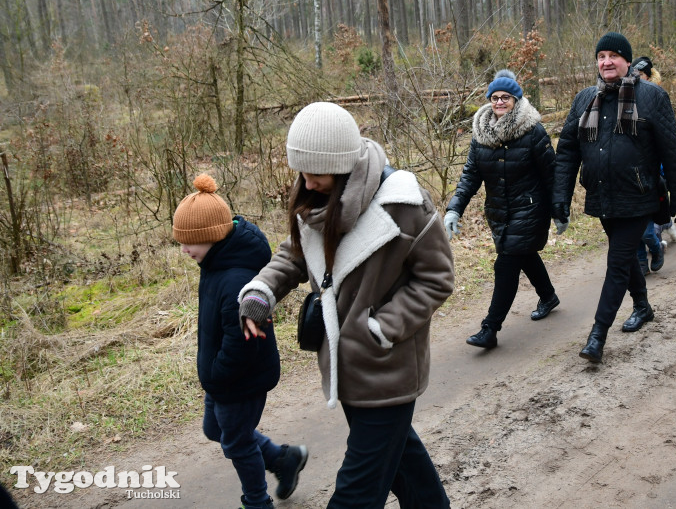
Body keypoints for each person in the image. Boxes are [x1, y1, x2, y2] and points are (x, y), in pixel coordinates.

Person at [237, 102, 453, 508]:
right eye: (300, 171)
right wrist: (260, 291)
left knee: (356, 493)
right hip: (345, 370)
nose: (306, 182)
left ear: (340, 165)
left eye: (315, 173)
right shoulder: (316, 201)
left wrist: (380, 329)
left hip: (388, 370)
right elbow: (294, 255)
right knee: (409, 471)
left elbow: (437, 279)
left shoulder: (404, 205)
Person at [553, 32, 676, 364]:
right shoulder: (585, 98)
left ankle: (597, 336)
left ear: (627, 61)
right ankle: (642, 307)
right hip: (602, 194)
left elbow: (671, 150)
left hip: (639, 195)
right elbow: (568, 151)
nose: (607, 62)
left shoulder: (652, 96)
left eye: (614, 55)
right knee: (625, 256)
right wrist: (560, 195)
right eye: (601, 56)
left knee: (616, 263)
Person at [172, 174, 307, 509]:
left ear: (212, 236)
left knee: (237, 442)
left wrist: (217, 373)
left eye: (189, 242)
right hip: (221, 378)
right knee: (217, 431)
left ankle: (256, 502)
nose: (184, 249)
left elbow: (242, 342)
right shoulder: (216, 262)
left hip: (238, 380)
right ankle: (282, 459)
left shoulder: (235, 278)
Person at [445, 70, 561, 349]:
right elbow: (470, 175)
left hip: (531, 210)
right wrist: (454, 209)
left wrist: (559, 209)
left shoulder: (533, 131)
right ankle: (548, 296)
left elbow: (552, 174)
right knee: (524, 254)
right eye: (494, 97)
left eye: (505, 98)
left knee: (506, 263)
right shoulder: (481, 133)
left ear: (516, 100)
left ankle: (490, 329)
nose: (499, 102)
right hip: (499, 212)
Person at [630, 56, 668, 274]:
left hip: (647, 177)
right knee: (632, 231)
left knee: (645, 231)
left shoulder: (656, 96)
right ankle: (641, 262)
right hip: (625, 179)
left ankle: (656, 248)